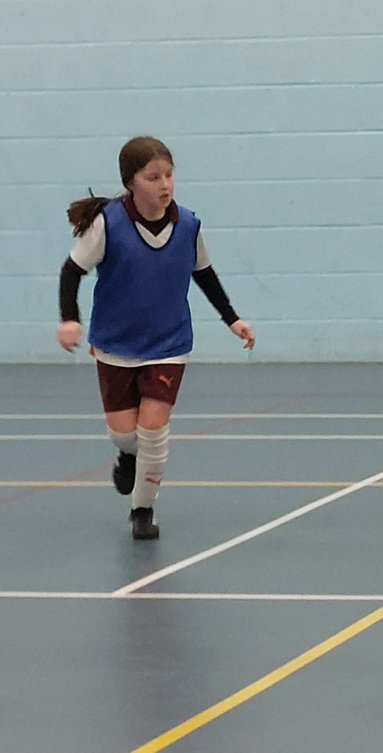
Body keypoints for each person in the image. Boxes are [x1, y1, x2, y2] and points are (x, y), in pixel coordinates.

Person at [55, 136, 255, 540]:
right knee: (125, 434)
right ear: (131, 182)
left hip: (169, 343)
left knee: (154, 429)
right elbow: (71, 271)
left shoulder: (189, 225)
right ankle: (127, 455)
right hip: (115, 343)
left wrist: (232, 319)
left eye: (169, 175)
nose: (165, 184)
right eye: (153, 177)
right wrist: (70, 320)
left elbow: (205, 274)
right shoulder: (107, 224)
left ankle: (143, 510)